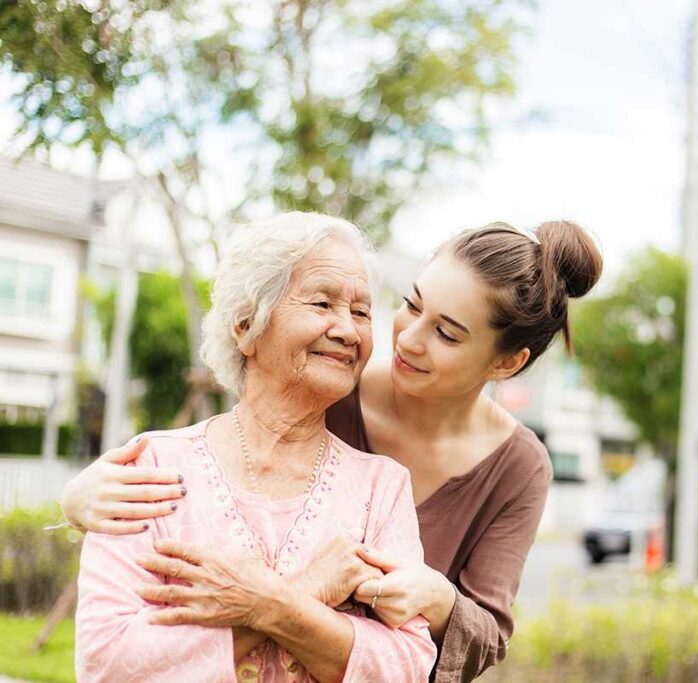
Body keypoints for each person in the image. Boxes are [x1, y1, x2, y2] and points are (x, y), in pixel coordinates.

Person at [65, 218, 603, 681]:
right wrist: (74, 501)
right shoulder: (323, 384)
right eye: (411, 306)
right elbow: (107, 659)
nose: (407, 340)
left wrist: (436, 600)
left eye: (447, 333)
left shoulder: (480, 470)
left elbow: (433, 652)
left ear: (505, 363)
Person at [74, 214, 436, 682]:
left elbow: (406, 666)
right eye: (323, 303)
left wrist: (264, 605)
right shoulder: (151, 469)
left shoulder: (381, 488)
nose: (348, 330)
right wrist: (301, 594)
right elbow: (106, 664)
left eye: (362, 312)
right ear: (246, 326)